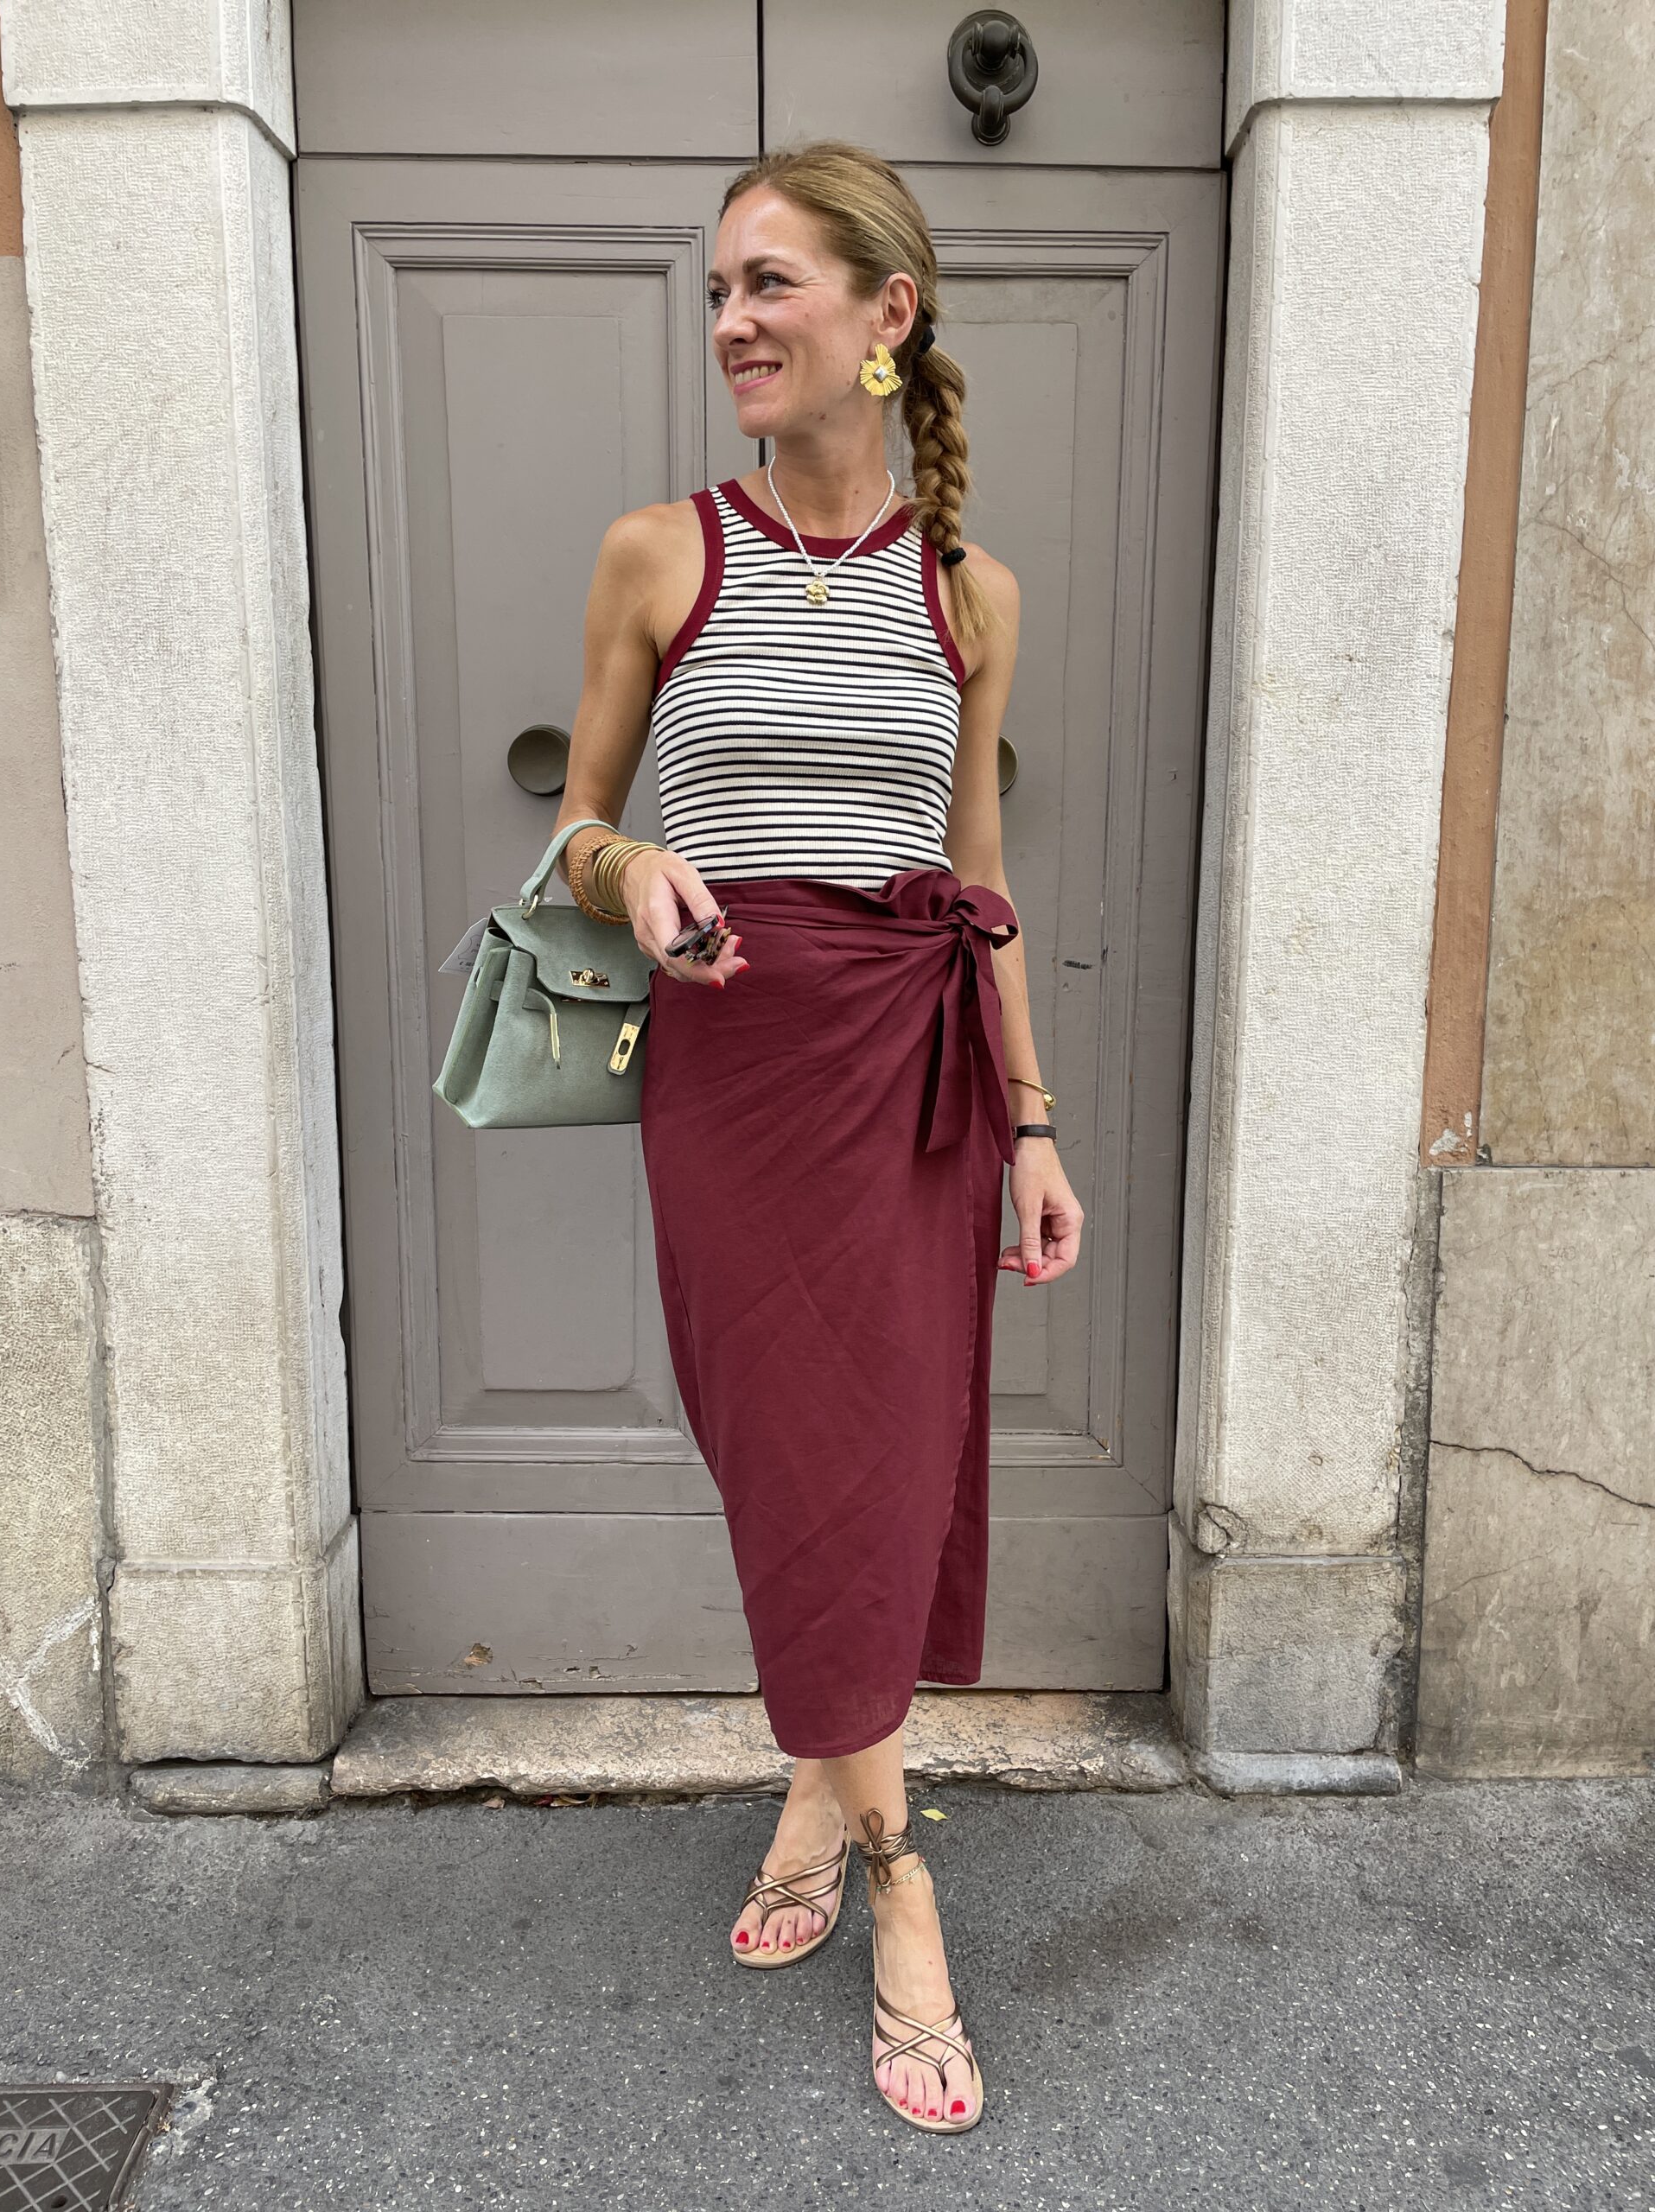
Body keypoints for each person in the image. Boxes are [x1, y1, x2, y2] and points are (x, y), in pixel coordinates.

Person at [550, 138, 1083, 2135]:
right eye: (719, 291)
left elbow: (980, 877)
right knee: (791, 1460)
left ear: (887, 315)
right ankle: (900, 1857)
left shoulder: (969, 593)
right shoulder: (656, 553)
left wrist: (1035, 1123)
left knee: (882, 1466)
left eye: (768, 283)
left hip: (919, 1078)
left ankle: (833, 1804)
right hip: (738, 1072)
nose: (732, 323)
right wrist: (635, 867)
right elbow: (576, 823)